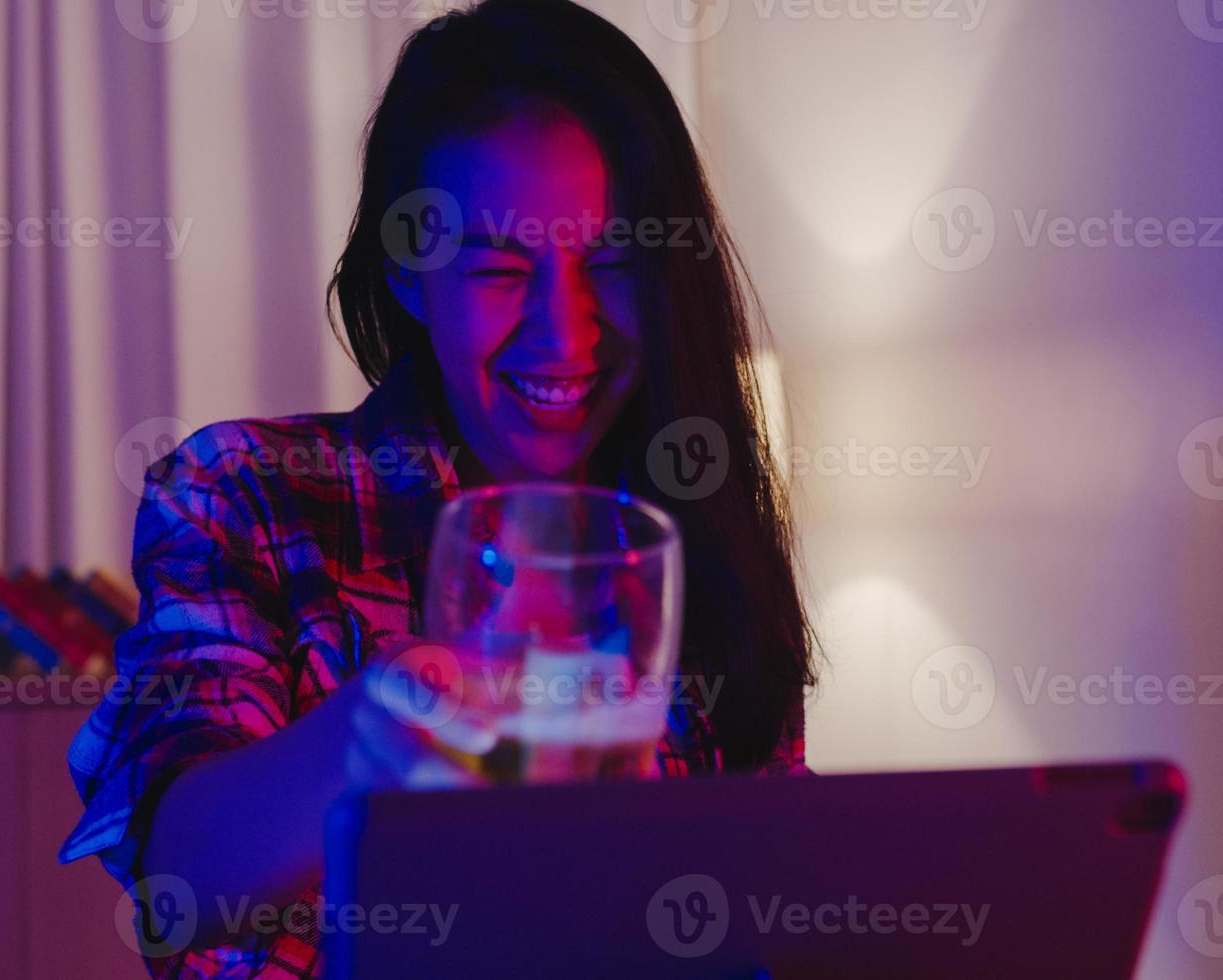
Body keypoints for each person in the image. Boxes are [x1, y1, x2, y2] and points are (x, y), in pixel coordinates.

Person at [61, 0, 817, 974]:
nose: (568, 333)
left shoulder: (697, 536)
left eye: (616, 263)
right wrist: (367, 741)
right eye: (501, 268)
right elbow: (180, 880)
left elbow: (782, 905)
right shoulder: (245, 491)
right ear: (409, 275)